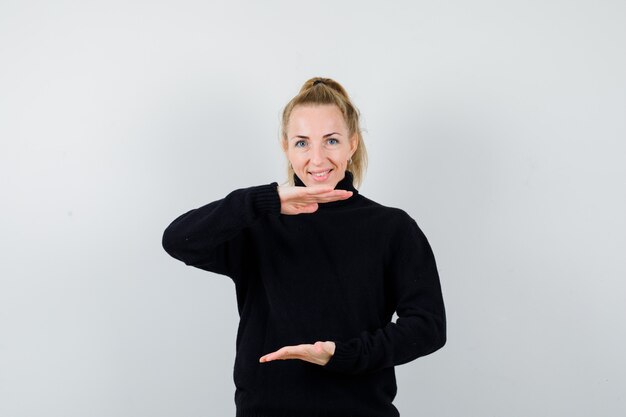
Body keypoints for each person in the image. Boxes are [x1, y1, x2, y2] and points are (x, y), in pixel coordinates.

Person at [161, 77, 446, 417]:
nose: (317, 158)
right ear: (286, 147)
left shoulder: (391, 228)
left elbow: (428, 327)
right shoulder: (259, 225)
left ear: (352, 144)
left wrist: (342, 355)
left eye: (331, 141)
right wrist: (266, 200)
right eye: (302, 143)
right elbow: (178, 239)